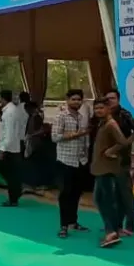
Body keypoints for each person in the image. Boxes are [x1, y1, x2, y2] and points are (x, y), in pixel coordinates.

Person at [91, 99, 134, 248]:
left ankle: (111, 231)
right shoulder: (103, 124)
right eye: (96, 108)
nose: (98, 110)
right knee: (100, 199)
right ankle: (112, 230)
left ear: (108, 109)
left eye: (101, 108)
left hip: (107, 168)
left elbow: (124, 142)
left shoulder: (111, 125)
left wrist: (111, 151)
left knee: (105, 200)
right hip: (101, 167)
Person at [105, 89, 134, 236]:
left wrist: (125, 143)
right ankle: (116, 225)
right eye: (107, 98)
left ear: (118, 99)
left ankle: (130, 226)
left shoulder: (124, 114)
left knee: (125, 192)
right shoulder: (105, 115)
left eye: (112, 98)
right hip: (108, 158)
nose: (110, 100)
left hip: (122, 158)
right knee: (115, 194)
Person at [51, 89, 91, 238]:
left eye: (79, 100)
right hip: (65, 160)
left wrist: (85, 154)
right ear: (67, 100)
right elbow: (55, 137)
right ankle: (63, 225)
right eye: (74, 99)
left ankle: (73, 221)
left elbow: (85, 138)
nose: (76, 102)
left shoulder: (81, 117)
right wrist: (76, 135)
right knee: (65, 194)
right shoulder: (61, 116)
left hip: (80, 161)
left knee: (76, 193)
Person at [0, 90, 24, 207]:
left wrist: (2, 149)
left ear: (2, 99)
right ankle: (15, 192)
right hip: (13, 146)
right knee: (9, 172)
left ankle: (14, 194)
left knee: (5, 170)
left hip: (9, 148)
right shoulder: (13, 110)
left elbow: (9, 133)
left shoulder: (9, 112)